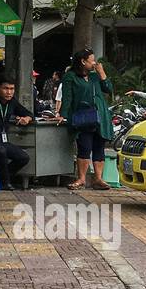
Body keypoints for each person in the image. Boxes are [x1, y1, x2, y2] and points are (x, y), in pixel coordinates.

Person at [59, 48, 115, 190]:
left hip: (100, 116)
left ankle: (98, 178)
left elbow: (108, 88)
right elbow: (67, 98)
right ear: (83, 61)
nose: (94, 63)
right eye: (92, 60)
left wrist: (101, 73)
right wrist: (63, 115)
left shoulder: (94, 76)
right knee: (84, 146)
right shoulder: (70, 77)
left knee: (99, 147)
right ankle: (82, 178)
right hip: (83, 116)